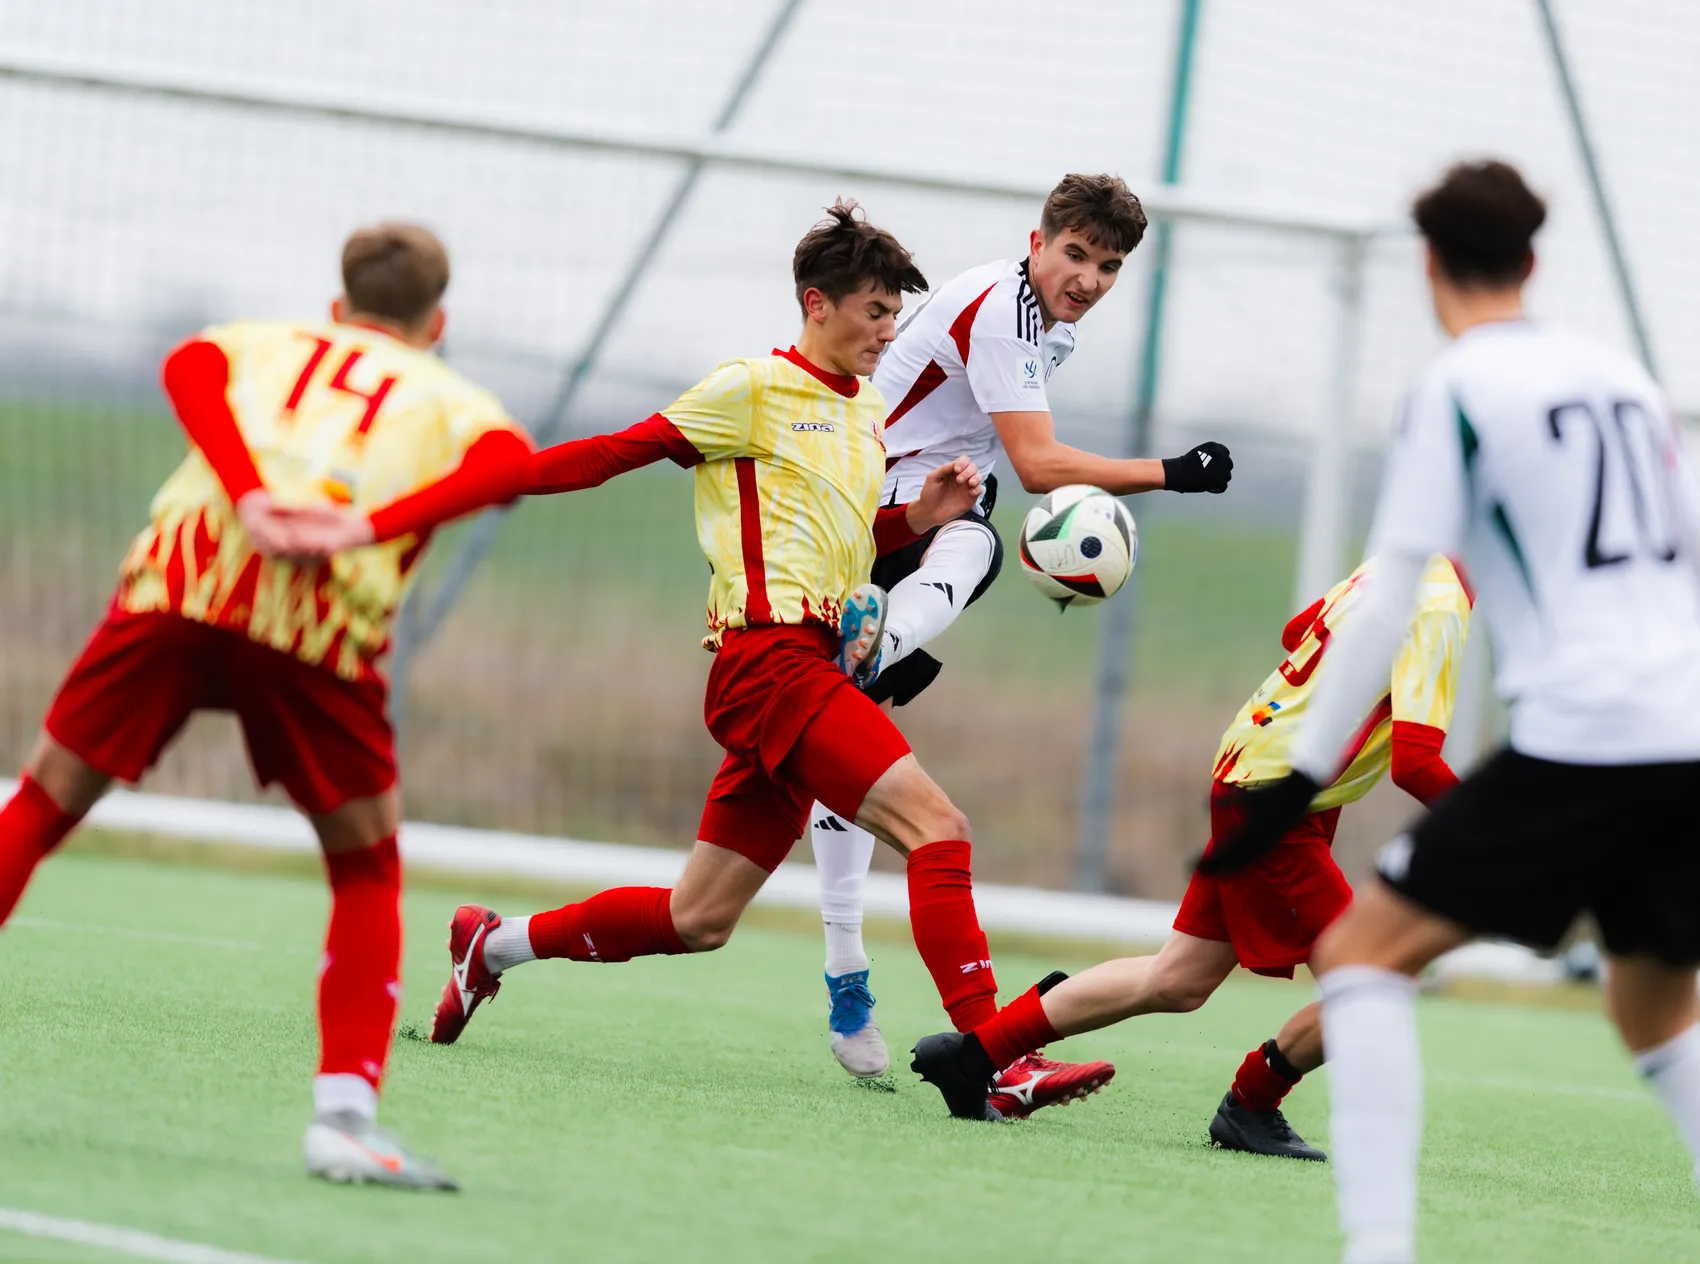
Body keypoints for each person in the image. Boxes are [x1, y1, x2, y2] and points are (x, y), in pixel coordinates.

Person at [1207, 161, 1700, 1264]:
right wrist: (1676, 688)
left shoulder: (1455, 387)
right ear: (1534, 261)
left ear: (1429, 266)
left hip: (1585, 733)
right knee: (1666, 1028)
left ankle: (1378, 1255)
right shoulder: (1621, 376)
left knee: (1360, 953)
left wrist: (1298, 778)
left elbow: (1389, 595)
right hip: (1697, 730)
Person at [411, 204, 1108, 1118]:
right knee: (939, 828)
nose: (888, 333)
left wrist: (921, 519)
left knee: (696, 920)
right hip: (769, 662)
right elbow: (616, 452)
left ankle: (490, 947)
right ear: (816, 305)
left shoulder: (864, 418)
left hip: (806, 665)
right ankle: (999, 1061)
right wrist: (480, 483)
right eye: (872, 313)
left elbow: (843, 539)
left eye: (896, 314)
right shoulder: (751, 387)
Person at [0, 224, 536, 1189]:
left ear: (338, 306)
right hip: (317, 619)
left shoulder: (263, 341)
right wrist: (360, 525)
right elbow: (512, 467)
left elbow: (186, 364)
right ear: (437, 322)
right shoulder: (450, 394)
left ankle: (346, 1120)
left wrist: (247, 494)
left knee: (39, 807)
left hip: (185, 579)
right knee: (367, 867)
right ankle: (342, 1121)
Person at [807, 174, 1236, 1104]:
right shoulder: (1004, 310)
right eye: (1075, 254)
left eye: (1109, 265)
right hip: (876, 519)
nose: (1087, 278)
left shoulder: (1049, 323)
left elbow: (1004, 443)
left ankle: (847, 984)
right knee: (974, 543)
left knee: (708, 902)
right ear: (1036, 241)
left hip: (891, 528)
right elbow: (1039, 463)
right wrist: (1175, 472)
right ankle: (879, 643)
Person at [907, 555, 1471, 1153]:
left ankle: (975, 1057)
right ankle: (1251, 1104)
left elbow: (1298, 631)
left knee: (1178, 980)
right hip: (1275, 797)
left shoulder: (1397, 566)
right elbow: (1416, 761)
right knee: (1372, 982)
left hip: (1254, 770)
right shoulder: (1440, 602)